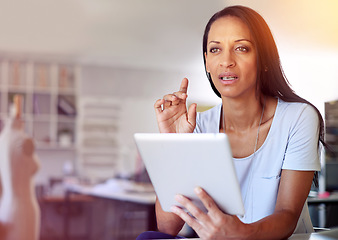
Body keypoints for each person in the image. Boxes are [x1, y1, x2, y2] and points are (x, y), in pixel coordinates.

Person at [137, 5, 324, 240]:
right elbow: (167, 227)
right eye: (215, 49)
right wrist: (174, 144)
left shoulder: (298, 117)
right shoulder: (198, 126)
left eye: (241, 48)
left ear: (263, 58)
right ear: (206, 61)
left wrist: (241, 233)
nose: (226, 61)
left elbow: (287, 216)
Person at [0, 95, 40, 240]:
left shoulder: (2, 140)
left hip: (5, 207)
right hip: (22, 210)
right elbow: (33, 168)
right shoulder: (23, 141)